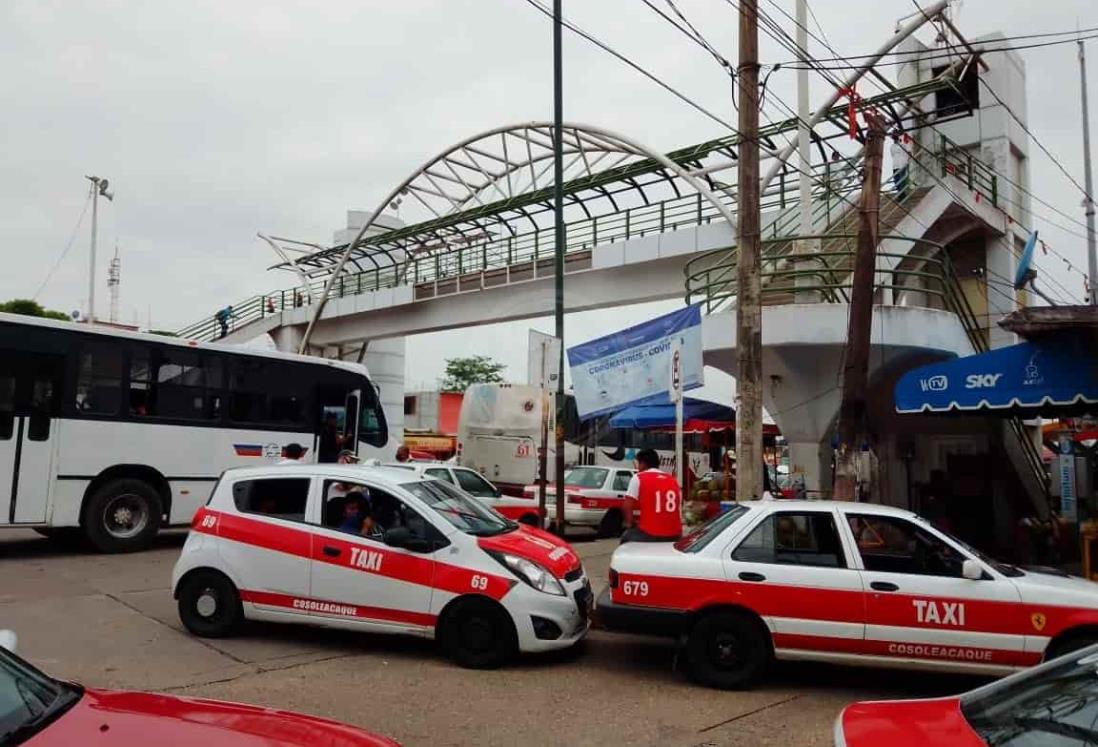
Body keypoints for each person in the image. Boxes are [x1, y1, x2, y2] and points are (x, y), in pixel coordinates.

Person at [621, 448, 683, 543]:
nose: (638, 467)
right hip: (675, 534)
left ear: (643, 463)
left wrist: (630, 523)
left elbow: (627, 506)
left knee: (626, 538)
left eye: (639, 463)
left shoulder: (638, 477)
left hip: (650, 534)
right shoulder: (673, 480)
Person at [891, 131, 910, 201]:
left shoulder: (903, 145)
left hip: (902, 164)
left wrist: (906, 161)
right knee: (896, 181)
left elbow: (908, 152)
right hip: (895, 165)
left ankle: (902, 194)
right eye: (894, 138)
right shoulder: (892, 146)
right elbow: (893, 155)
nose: (895, 140)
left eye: (896, 138)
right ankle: (900, 194)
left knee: (902, 181)